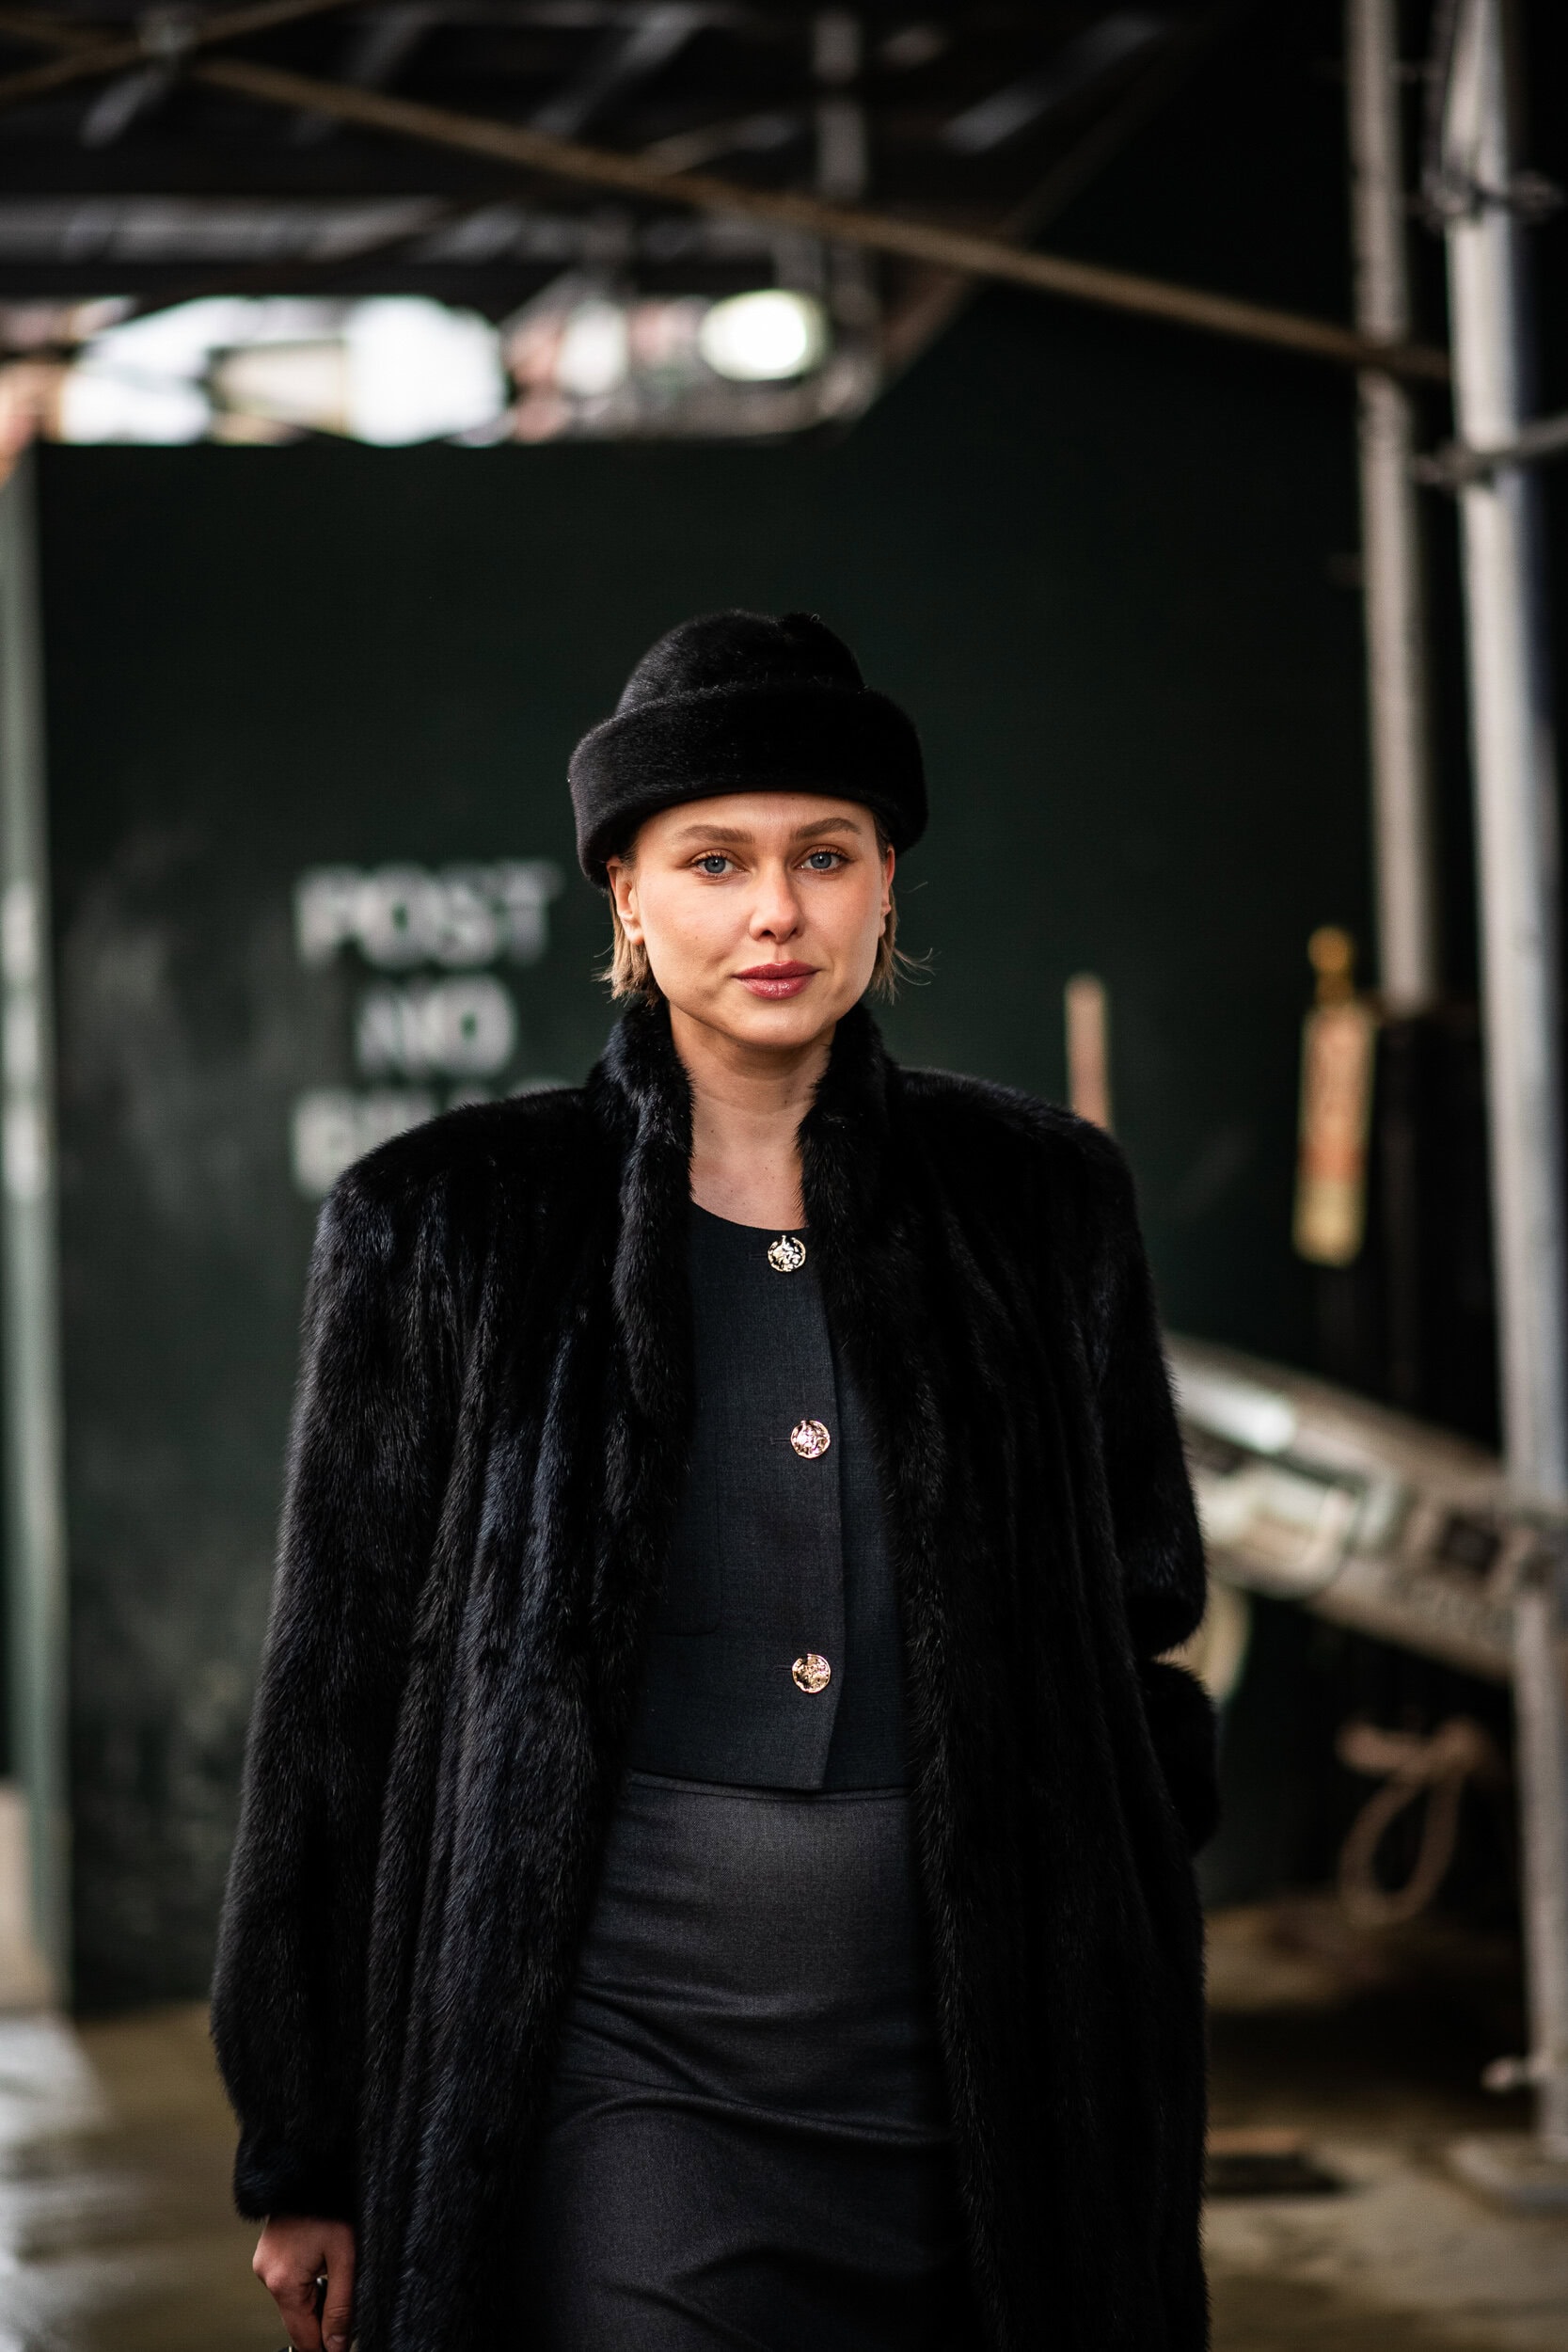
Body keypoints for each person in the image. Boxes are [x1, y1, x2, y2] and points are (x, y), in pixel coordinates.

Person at [212, 610, 1218, 2352]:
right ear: (624, 891)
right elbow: (335, 1700)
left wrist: (1110, 1942)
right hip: (623, 2048)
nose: (777, 913)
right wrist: (307, 2143)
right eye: (715, 860)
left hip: (979, 2055)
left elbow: (1140, 1622)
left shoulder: (1042, 1203)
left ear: (887, 883)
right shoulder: (447, 1223)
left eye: (825, 856)